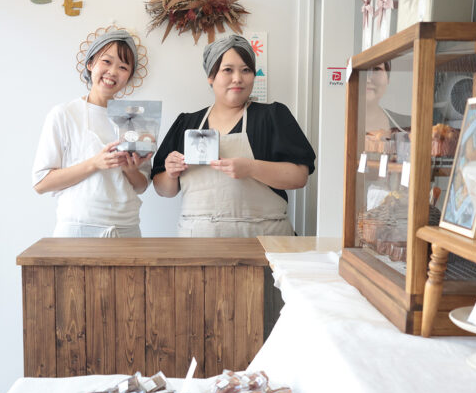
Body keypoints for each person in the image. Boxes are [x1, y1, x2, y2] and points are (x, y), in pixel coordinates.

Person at [151, 35, 316, 238]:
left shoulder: (272, 116)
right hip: (198, 244)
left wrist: (250, 168)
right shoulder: (187, 123)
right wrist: (170, 172)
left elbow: (299, 177)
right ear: (211, 77)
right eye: (227, 70)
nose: (238, 78)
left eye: (246, 70)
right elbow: (163, 190)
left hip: (265, 241)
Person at [32, 28, 151, 237]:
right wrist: (95, 163)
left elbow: (141, 186)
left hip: (126, 228)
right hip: (78, 228)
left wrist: (130, 169)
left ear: (128, 77)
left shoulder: (135, 119)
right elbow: (41, 183)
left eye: (123, 67)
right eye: (106, 61)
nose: (113, 72)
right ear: (90, 64)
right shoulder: (64, 114)